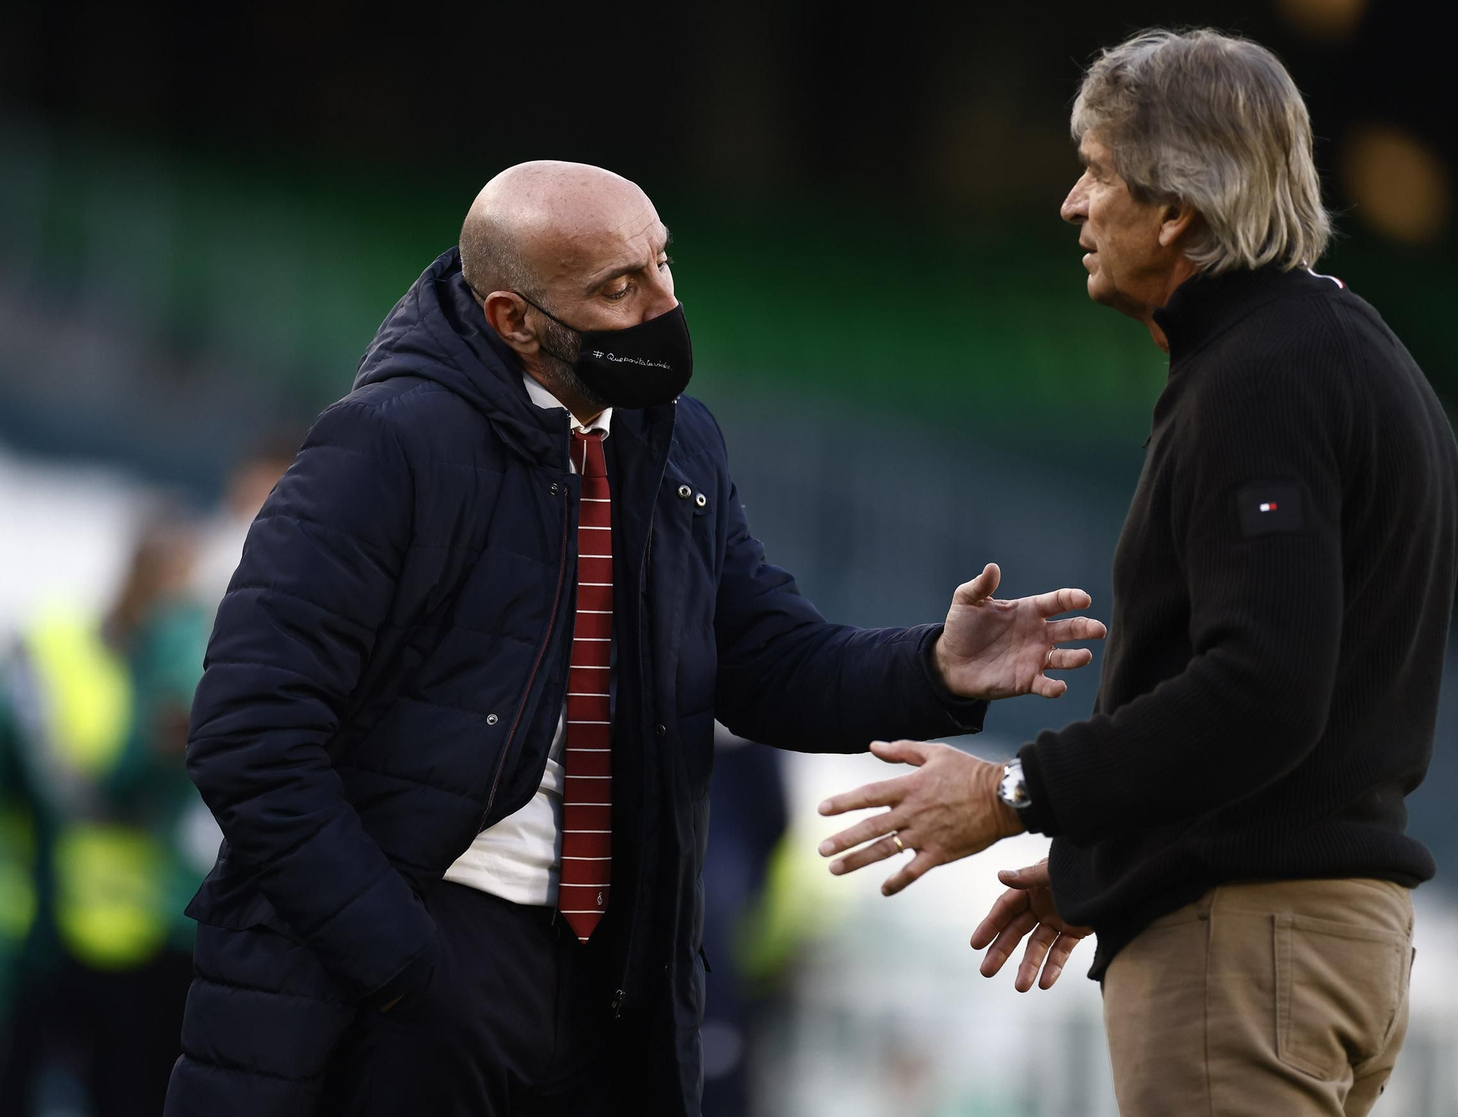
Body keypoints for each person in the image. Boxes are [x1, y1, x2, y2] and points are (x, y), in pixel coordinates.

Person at [162, 160, 1106, 1117]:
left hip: (610, 979)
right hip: (412, 965)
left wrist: (933, 665)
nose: (664, 303)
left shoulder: (676, 441)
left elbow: (762, 658)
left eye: (661, 265)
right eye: (619, 288)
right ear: (512, 320)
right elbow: (248, 736)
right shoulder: (384, 447)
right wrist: (402, 961)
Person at [818, 29, 1458, 1117]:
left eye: (1098, 173)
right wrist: (1113, 860)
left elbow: (1263, 691)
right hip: (1322, 934)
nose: (1072, 204)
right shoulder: (1342, 347)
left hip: (1251, 944)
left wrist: (1014, 792)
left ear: (1176, 211)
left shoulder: (1262, 375)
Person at [0, 518, 211, 1117]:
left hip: (140, 925)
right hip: (62, 916)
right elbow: (103, 782)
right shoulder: (76, 651)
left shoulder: (167, 659)